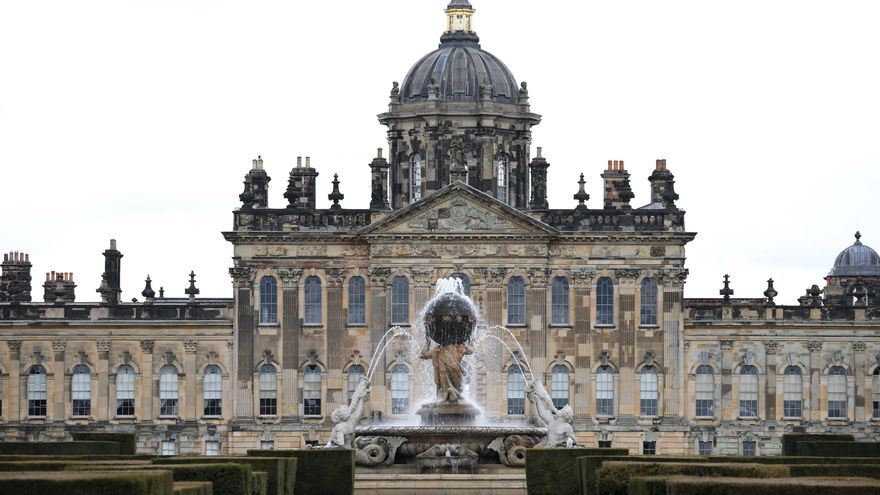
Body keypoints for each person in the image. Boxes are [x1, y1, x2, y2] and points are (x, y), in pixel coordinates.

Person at [526, 379, 576, 448]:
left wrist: (564, 442)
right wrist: (536, 399)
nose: (560, 411)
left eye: (562, 411)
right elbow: (542, 412)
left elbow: (574, 441)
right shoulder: (552, 420)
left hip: (557, 448)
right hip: (548, 447)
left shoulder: (567, 427)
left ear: (565, 416)